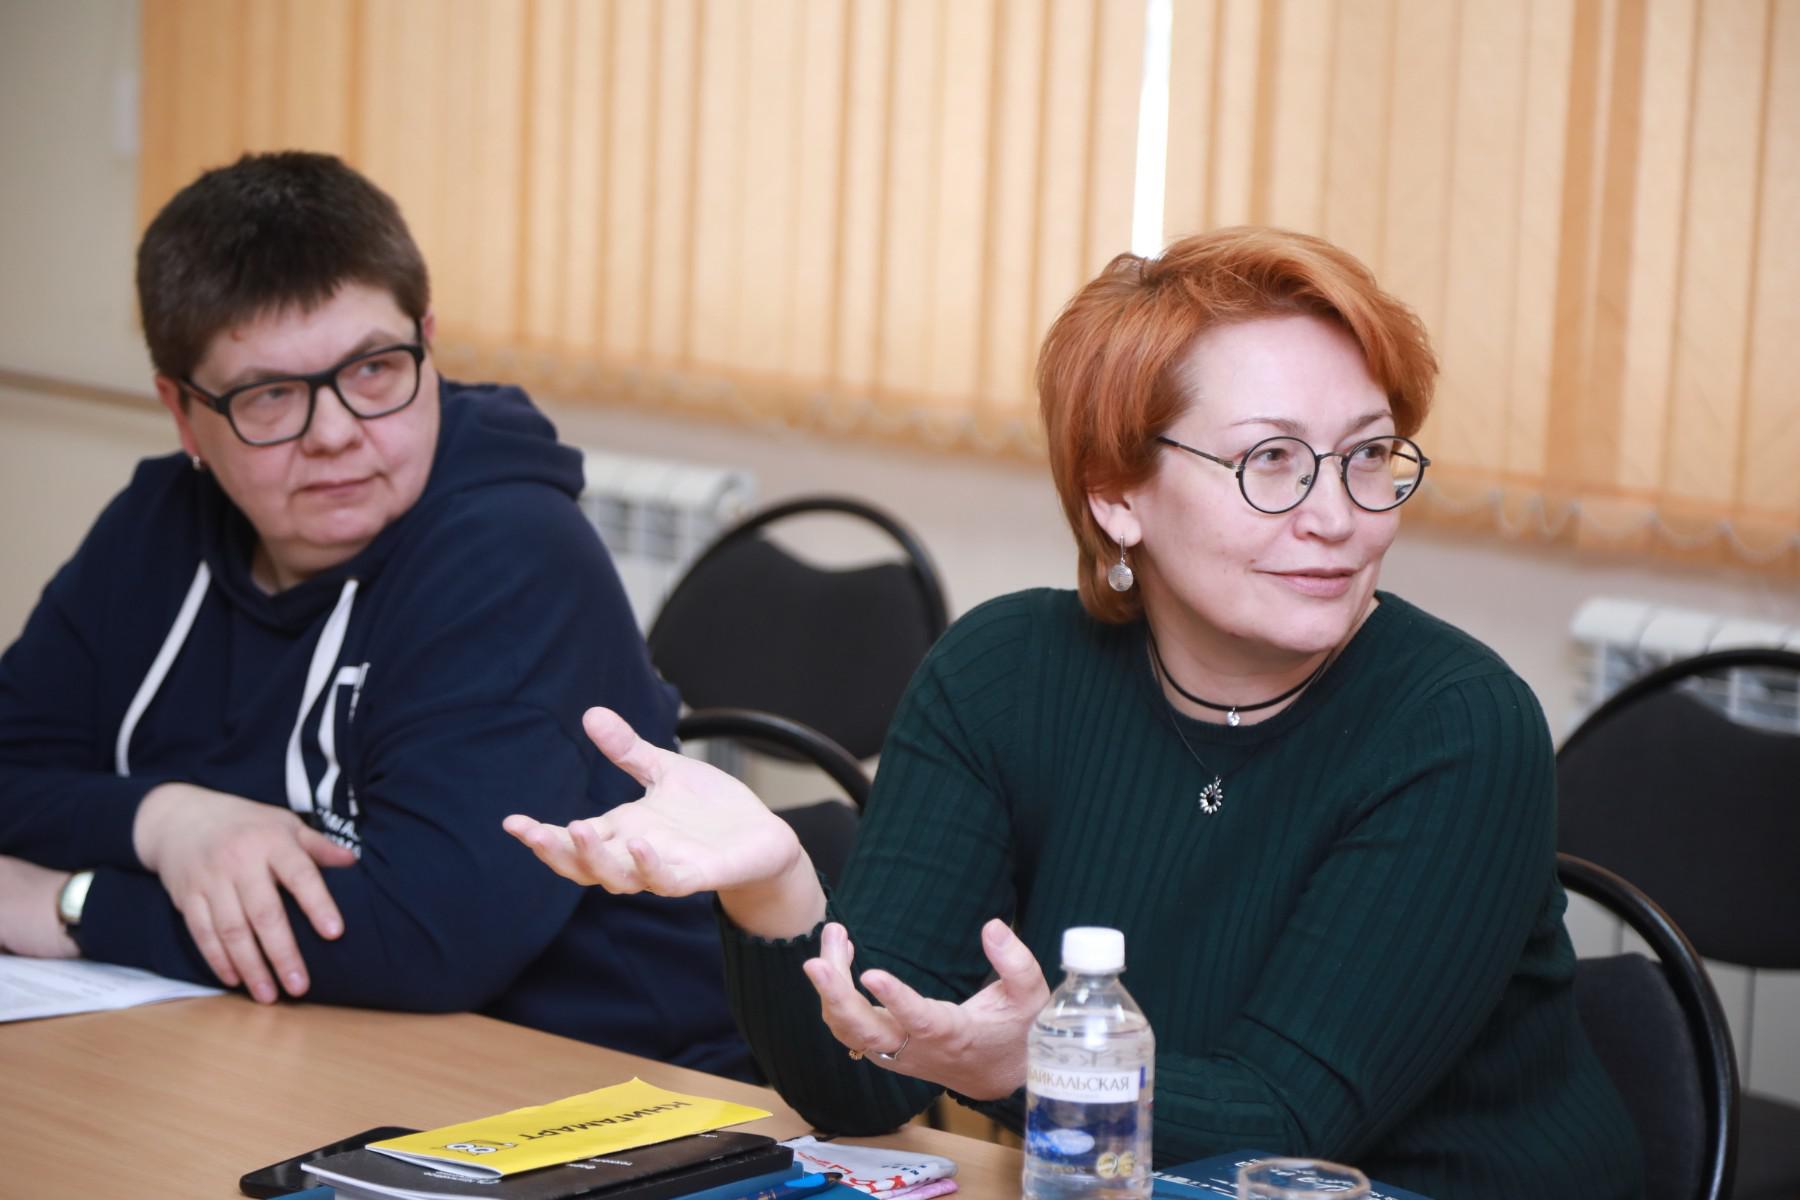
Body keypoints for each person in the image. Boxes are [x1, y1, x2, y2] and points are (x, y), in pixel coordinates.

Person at [503, 227, 1644, 1198]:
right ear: (1115, 493)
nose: (1338, 515)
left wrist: (1023, 1066)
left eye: (1367, 455)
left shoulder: (1456, 724)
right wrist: (774, 888)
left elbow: (1286, 1125)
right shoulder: (1004, 673)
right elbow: (862, 1086)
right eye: (1271, 461)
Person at [0, 151, 749, 1077]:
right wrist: (166, 821)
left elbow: (431, 936)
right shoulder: (154, 527)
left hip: (600, 1075)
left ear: (428, 344)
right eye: (270, 394)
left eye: (373, 368)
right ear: (184, 413)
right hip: (277, 1053)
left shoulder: (514, 552)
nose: (335, 433)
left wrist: (72, 906)